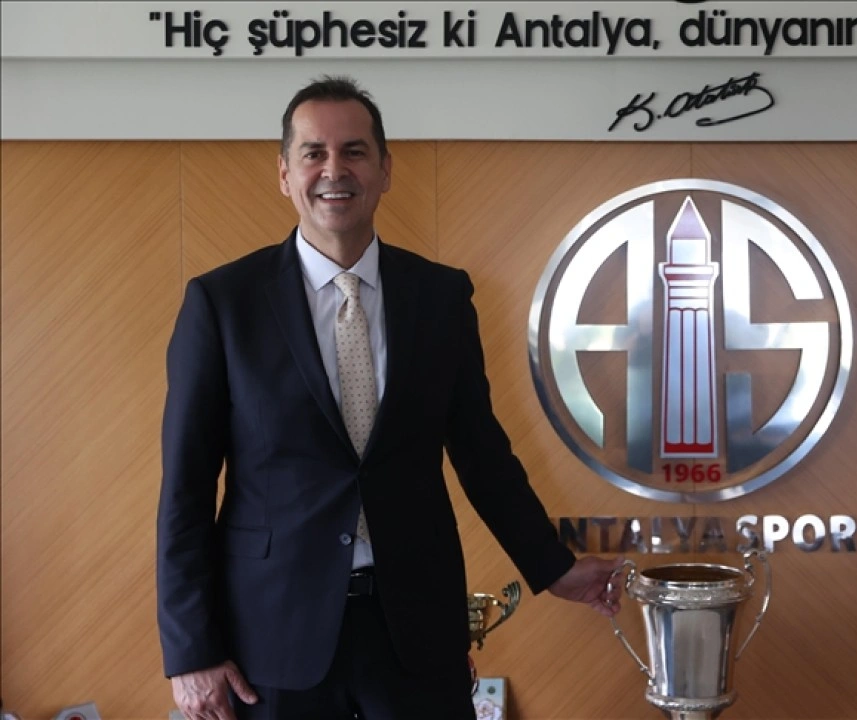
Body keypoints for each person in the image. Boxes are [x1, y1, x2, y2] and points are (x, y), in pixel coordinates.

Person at [157, 75, 622, 720]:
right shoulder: (223, 304)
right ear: (285, 174)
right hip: (273, 634)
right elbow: (184, 489)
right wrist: (190, 651)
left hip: (415, 629)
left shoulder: (441, 297)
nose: (334, 170)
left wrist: (553, 567)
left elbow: (483, 456)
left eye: (354, 151)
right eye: (313, 153)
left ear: (384, 170)